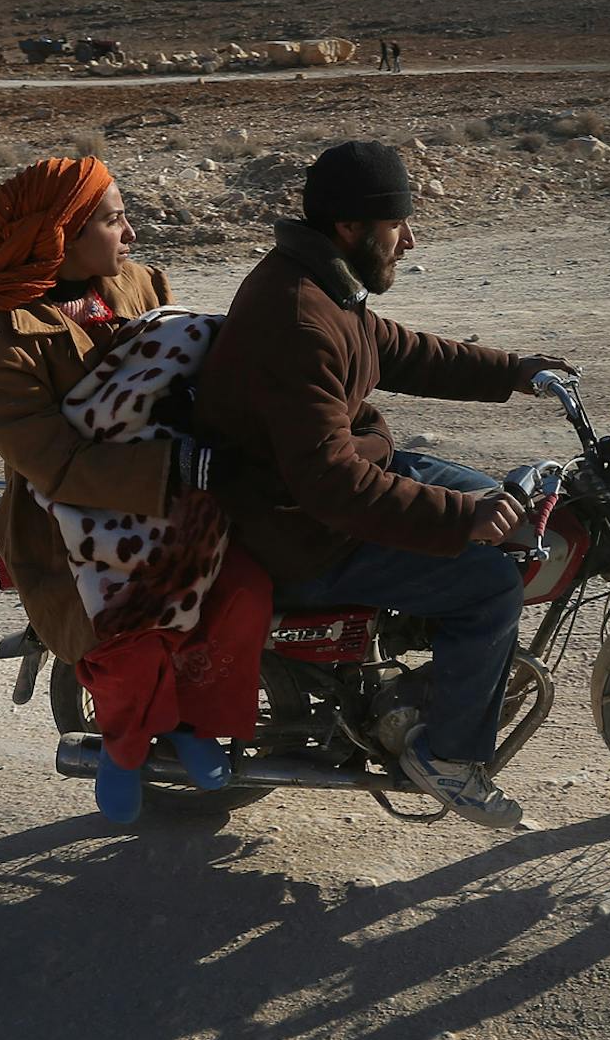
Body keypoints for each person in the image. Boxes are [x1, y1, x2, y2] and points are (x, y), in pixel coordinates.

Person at [194, 142, 575, 829]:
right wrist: (460, 515)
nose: (410, 238)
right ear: (350, 227)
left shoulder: (323, 283)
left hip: (334, 488)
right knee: (489, 578)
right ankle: (448, 756)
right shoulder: (298, 318)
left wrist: (511, 372)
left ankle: (421, 683)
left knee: (510, 518)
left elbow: (394, 349)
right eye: (398, 223)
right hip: (302, 533)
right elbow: (331, 484)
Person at [0, 157, 239, 820]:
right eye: (112, 219)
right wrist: (179, 471)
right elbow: (52, 458)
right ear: (60, 237)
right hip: (67, 518)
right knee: (126, 638)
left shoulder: (136, 282)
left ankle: (192, 721)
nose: (131, 232)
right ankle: (125, 747)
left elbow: (176, 376)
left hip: (178, 484)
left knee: (230, 600)